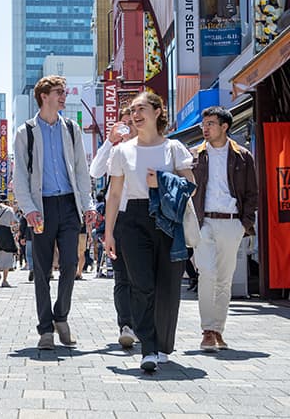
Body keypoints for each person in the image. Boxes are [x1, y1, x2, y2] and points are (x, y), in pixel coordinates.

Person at [104, 92, 195, 372]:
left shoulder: (174, 148)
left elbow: (190, 185)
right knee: (141, 284)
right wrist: (108, 233)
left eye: (141, 108)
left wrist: (163, 181)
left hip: (168, 221)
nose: (135, 114)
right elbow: (115, 194)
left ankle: (162, 343)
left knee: (167, 286)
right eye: (132, 110)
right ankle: (149, 347)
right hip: (132, 220)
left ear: (157, 112)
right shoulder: (122, 151)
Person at [13, 75, 95, 350]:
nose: (64, 97)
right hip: (41, 208)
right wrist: (29, 209)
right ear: (44, 96)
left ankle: (61, 316)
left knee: (71, 263)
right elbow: (20, 176)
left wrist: (89, 205)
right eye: (59, 93)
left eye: (63, 92)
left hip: (69, 205)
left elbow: (81, 172)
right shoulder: (26, 131)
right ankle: (45, 329)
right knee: (42, 269)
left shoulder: (71, 129)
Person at [191, 106, 258, 352]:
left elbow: (252, 193)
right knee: (207, 273)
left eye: (210, 124)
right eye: (204, 124)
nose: (205, 128)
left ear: (224, 127)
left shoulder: (242, 156)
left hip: (232, 223)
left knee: (224, 279)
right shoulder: (195, 155)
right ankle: (207, 330)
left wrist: (244, 224)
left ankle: (218, 330)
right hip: (204, 222)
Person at [88, 106, 138, 349]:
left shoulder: (150, 148)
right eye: (125, 122)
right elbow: (95, 170)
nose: (129, 126)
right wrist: (109, 141)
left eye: (133, 122)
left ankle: (143, 324)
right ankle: (126, 325)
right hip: (117, 218)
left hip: (144, 217)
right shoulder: (115, 151)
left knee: (143, 278)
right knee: (122, 276)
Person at [0, 197, 17, 287]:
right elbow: (12, 222)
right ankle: (4, 280)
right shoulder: (9, 210)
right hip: (6, 233)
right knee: (7, 255)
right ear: (6, 202)